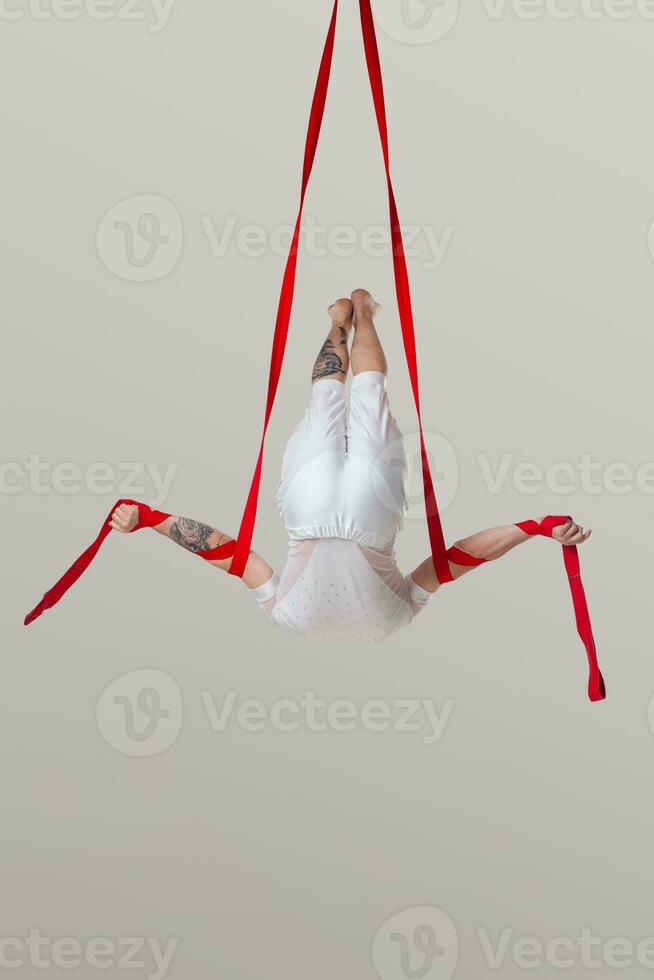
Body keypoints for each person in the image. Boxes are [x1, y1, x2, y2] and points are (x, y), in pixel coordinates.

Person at [109, 289, 591, 642]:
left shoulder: (392, 621)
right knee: (327, 397)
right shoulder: (286, 615)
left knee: (366, 394)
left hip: (368, 510)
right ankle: (347, 317)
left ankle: (359, 314)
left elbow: (457, 559)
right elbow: (230, 555)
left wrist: (535, 527)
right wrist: (149, 519)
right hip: (314, 507)